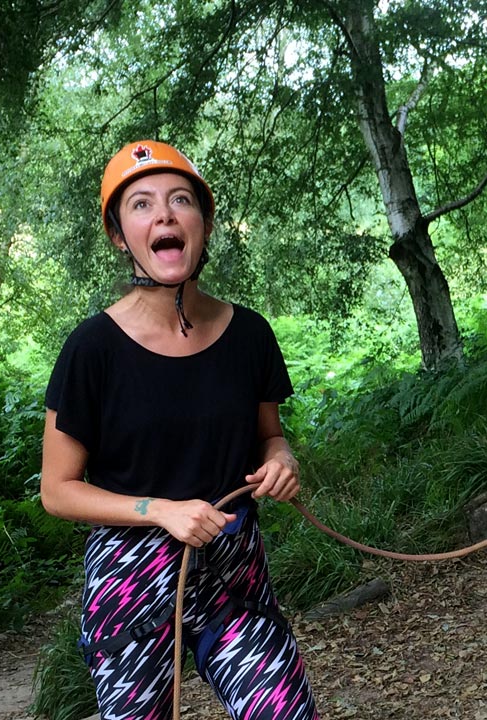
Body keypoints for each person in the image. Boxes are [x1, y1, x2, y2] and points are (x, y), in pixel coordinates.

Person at [41, 140, 318, 720]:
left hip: (232, 570)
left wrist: (281, 459)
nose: (164, 215)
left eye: (180, 200)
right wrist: (160, 510)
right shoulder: (92, 351)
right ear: (121, 235)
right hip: (131, 579)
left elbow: (271, 434)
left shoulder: (249, 337)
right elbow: (58, 490)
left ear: (204, 222)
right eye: (140, 205)